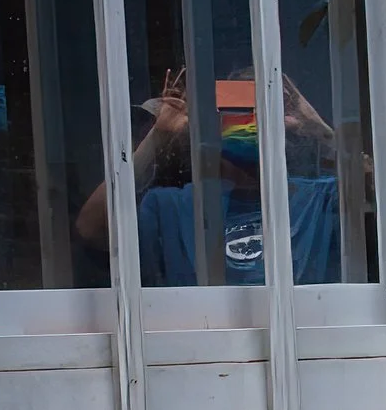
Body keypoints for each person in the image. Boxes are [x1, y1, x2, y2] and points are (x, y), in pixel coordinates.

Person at [74, 68, 350, 286]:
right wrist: (158, 137)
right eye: (238, 112)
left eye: (262, 114)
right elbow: (91, 227)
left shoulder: (319, 200)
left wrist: (318, 129)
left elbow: (382, 198)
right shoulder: (174, 208)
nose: (249, 125)